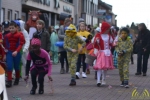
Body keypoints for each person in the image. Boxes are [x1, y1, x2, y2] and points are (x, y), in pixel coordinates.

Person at [3, 21, 25, 87]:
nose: (11, 29)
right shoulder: (7, 36)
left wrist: (17, 51)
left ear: (16, 28)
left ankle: (17, 78)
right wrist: (4, 54)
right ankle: (9, 81)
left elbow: (21, 44)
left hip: (17, 52)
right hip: (9, 52)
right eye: (10, 28)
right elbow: (5, 45)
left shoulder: (20, 35)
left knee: (16, 67)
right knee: (9, 66)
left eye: (13, 28)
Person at [93, 22, 114, 87]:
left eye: (108, 29)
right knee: (99, 67)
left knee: (105, 68)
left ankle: (104, 79)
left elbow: (111, 44)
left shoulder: (109, 36)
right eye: (107, 29)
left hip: (107, 53)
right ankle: (98, 80)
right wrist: (96, 41)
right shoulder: (98, 35)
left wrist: (114, 43)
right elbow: (95, 44)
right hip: (101, 52)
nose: (108, 30)